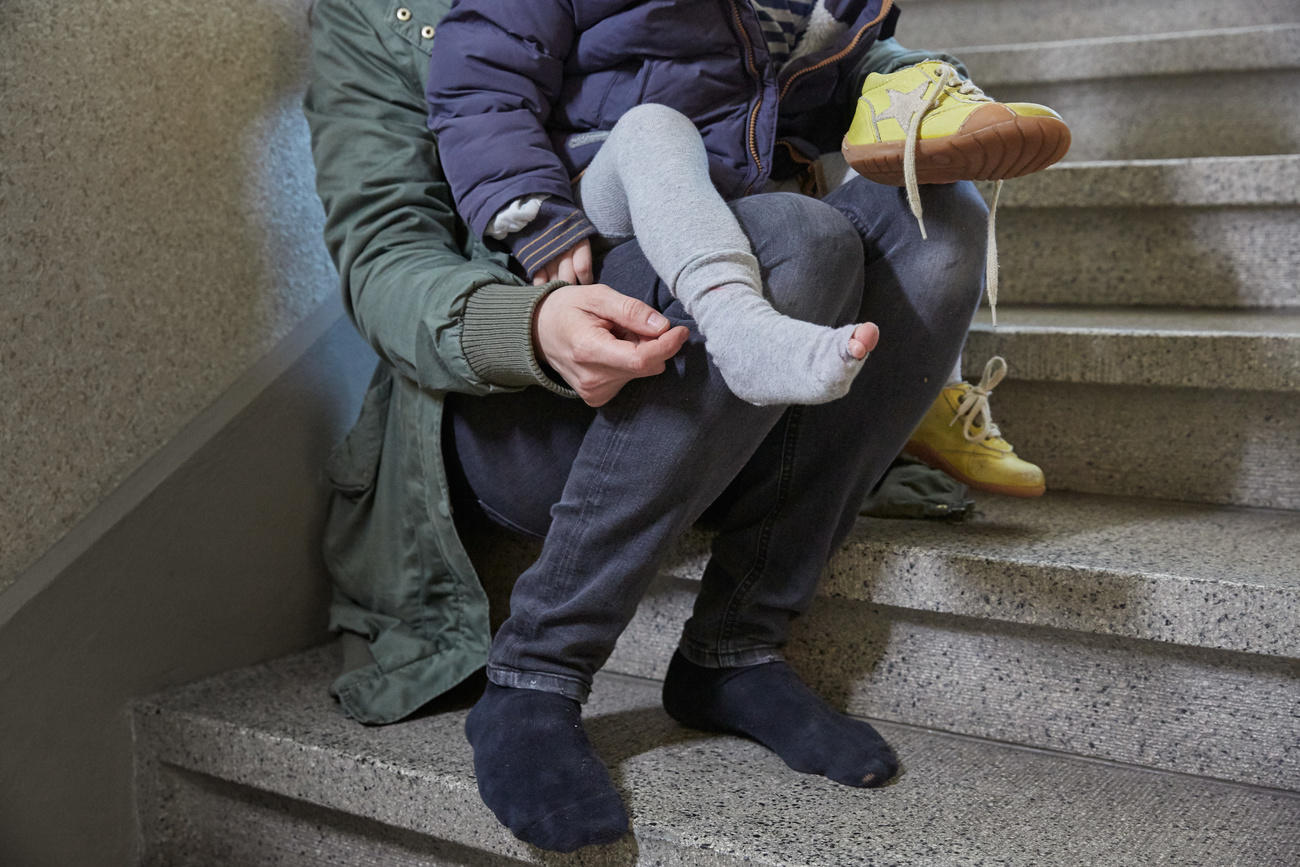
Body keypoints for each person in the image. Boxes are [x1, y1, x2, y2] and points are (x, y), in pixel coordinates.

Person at [303, 0, 1014, 854]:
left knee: (941, 213)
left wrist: (924, 83)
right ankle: (535, 671)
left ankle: (735, 648)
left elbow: (833, 56)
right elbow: (384, 257)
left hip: (741, 323)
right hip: (537, 381)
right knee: (800, 235)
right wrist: (527, 326)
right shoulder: (372, 13)